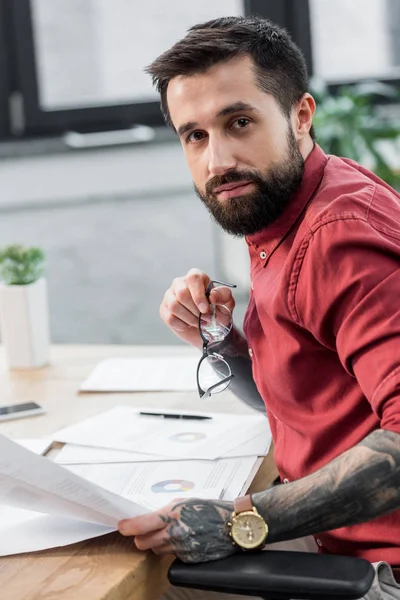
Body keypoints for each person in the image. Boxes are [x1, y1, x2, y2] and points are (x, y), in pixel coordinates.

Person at [118, 16, 400, 600]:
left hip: (375, 570)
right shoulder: (288, 207)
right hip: (331, 536)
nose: (217, 160)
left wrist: (240, 521)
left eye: (238, 122)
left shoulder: (337, 238)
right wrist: (220, 341)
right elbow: (304, 397)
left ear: (300, 115)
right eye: (194, 135)